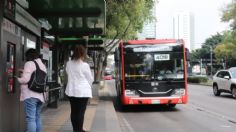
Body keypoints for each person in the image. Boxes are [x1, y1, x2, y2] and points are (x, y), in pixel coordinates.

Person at [16, 48, 47, 132]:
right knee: (37, 117)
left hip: (30, 94)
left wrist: (18, 78)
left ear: (28, 56)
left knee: (30, 119)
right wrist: (24, 71)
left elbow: (25, 79)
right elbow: (36, 75)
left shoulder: (29, 63)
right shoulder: (42, 65)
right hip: (41, 95)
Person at [65, 45, 94, 132]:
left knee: (74, 111)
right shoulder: (84, 65)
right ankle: (79, 130)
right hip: (82, 92)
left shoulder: (68, 63)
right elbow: (90, 79)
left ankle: (76, 129)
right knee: (81, 112)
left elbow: (68, 73)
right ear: (83, 54)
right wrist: (89, 86)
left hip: (71, 91)